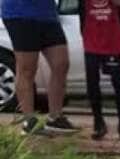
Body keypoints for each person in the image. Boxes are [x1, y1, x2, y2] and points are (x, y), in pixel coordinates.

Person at [1, 0, 77, 134]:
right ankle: (29, 121)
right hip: (20, 14)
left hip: (47, 14)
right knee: (27, 68)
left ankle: (55, 117)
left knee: (61, 63)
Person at [79, 0, 120, 140]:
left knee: (119, 84)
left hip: (113, 41)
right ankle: (98, 123)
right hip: (91, 41)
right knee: (92, 83)